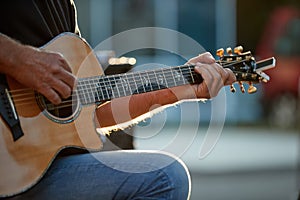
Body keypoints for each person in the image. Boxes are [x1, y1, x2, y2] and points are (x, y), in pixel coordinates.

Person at [0, 0, 236, 199]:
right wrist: (19, 60)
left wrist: (184, 91)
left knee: (166, 174)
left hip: (41, 172)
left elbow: (92, 116)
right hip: (8, 173)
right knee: (166, 178)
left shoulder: (62, 7)